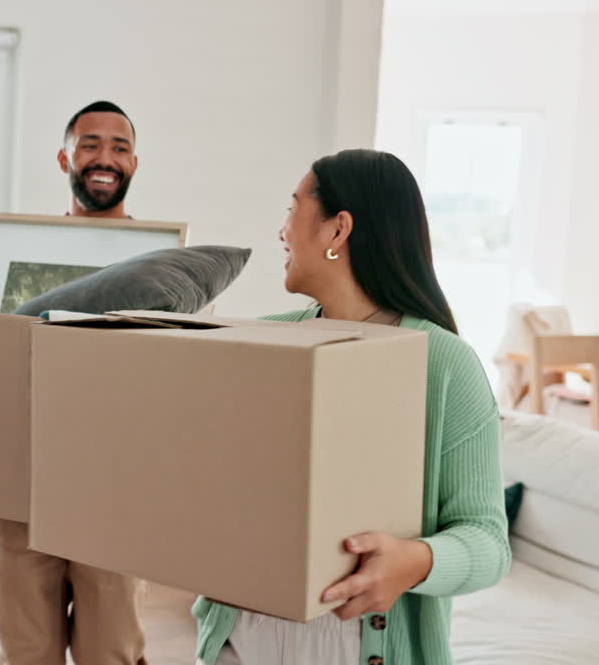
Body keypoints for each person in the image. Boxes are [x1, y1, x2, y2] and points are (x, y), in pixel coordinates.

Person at [193, 149, 511, 665]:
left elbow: (489, 543)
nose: (282, 232)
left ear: (337, 230)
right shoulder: (259, 343)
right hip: (240, 643)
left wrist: (416, 560)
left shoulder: (445, 365)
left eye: (292, 209)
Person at [0, 100, 150, 665]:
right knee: (26, 651)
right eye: (89, 145)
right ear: (64, 158)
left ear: (135, 163)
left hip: (114, 487)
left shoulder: (160, 265)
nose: (104, 158)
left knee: (112, 652)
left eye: (119, 147)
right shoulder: (18, 256)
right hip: (20, 485)